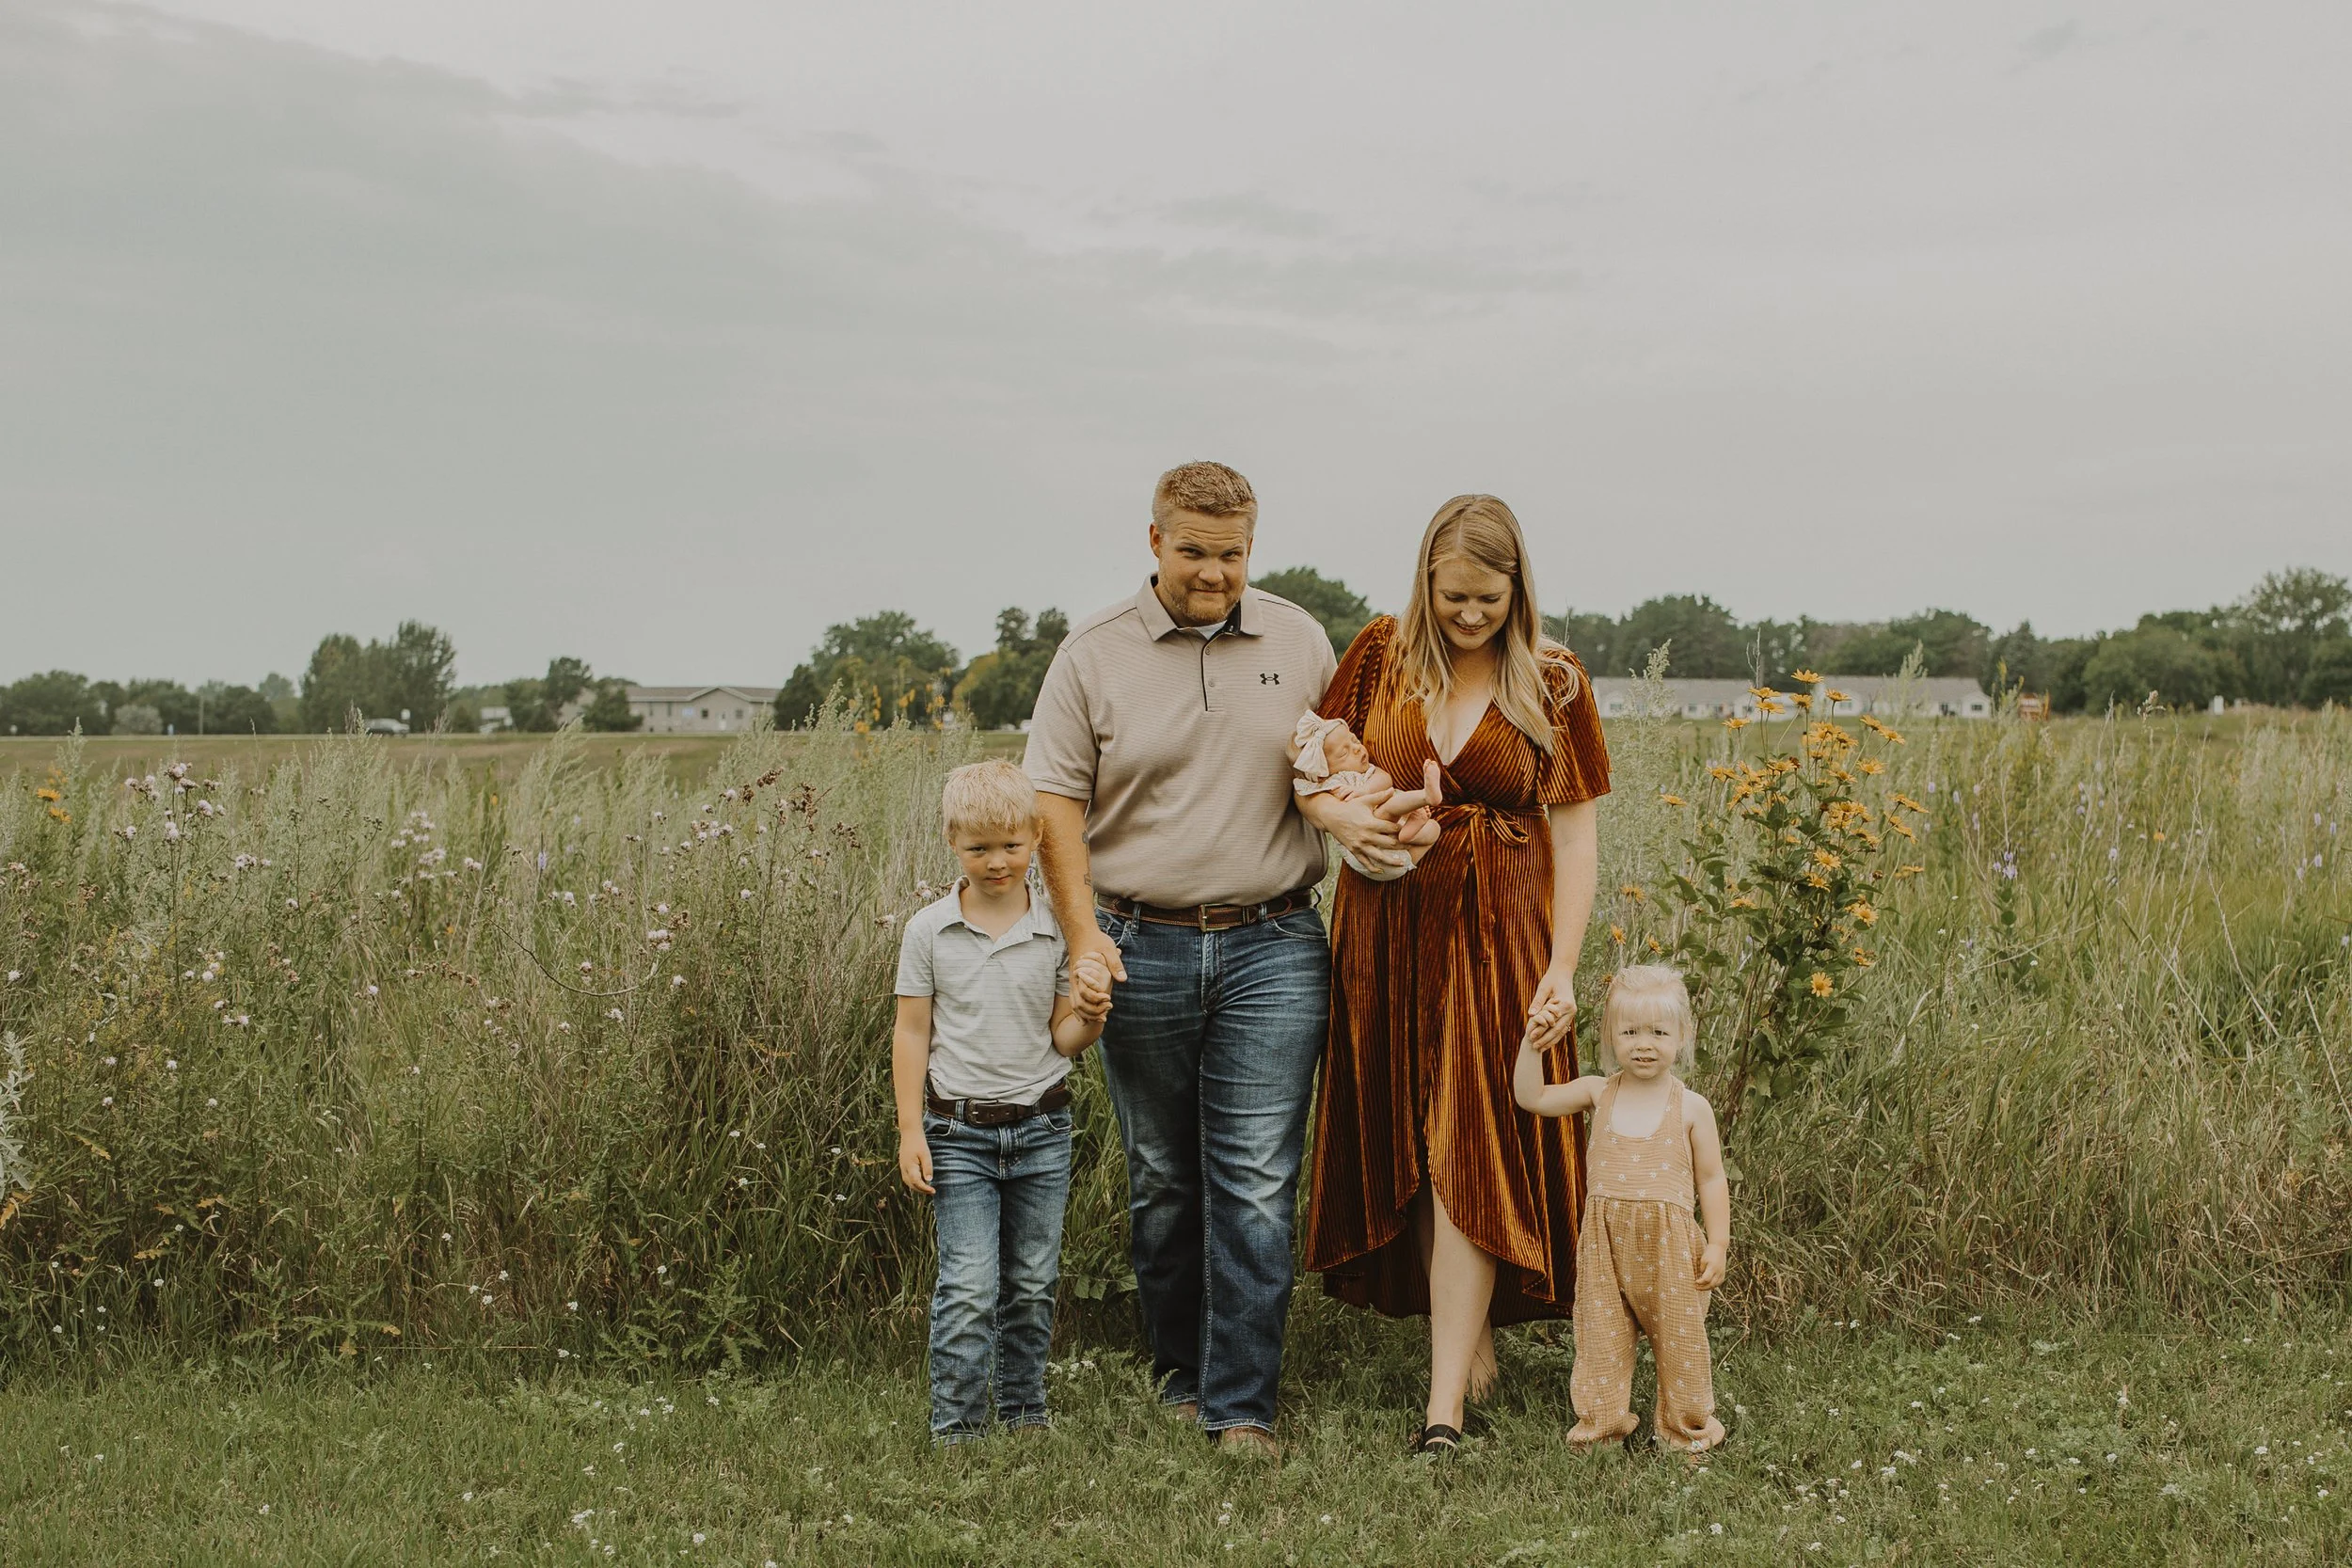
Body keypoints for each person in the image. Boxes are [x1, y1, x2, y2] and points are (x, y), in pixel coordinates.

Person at [1025, 460, 1379, 1455]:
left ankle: (1242, 1403)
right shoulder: (1092, 654)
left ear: (1251, 547)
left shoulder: (1299, 640)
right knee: (1164, 1177)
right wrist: (1083, 936)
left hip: (1275, 941)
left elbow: (1336, 760)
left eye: (1232, 554)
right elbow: (1053, 803)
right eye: (1193, 552)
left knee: (1257, 1176)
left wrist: (1364, 805)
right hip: (1139, 944)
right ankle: (1182, 1367)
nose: (1214, 573)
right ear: (1154, 541)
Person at [1296, 493, 1608, 1457]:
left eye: (1488, 598)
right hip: (1385, 928)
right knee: (1414, 1136)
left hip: (1499, 933)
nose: (1470, 614)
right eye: (1453, 595)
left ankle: (1443, 1410)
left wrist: (1563, 967)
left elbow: (1576, 835)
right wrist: (1338, 813)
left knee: (1467, 1135)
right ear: (1425, 580)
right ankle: (1462, 1340)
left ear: (1519, 589)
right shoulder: (1381, 653)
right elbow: (1310, 760)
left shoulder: (1554, 680)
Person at [892, 760, 1112, 1444]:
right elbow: (912, 1031)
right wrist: (910, 1129)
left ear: (1038, 836)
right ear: (952, 842)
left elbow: (1063, 1036)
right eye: (979, 848)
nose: (997, 862)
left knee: (1032, 1279)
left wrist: (1091, 1016)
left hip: (1041, 1128)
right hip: (957, 1133)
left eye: (1012, 845)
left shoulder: (1056, 930)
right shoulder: (929, 931)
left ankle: (1023, 1411)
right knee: (968, 1284)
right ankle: (958, 1425)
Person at [1513, 965, 1730, 1455]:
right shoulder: (1599, 1092)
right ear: (1611, 1036)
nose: (1643, 1045)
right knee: (1600, 1341)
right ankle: (1600, 1429)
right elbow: (1532, 1097)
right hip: (1605, 1249)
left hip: (1671, 1253)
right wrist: (1532, 1047)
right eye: (1629, 1033)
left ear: (1682, 1036)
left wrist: (1718, 1243)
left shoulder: (1691, 1107)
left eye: (1658, 1033)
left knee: (1681, 1343)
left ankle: (1686, 1431)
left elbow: (1711, 1179)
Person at [1290, 712, 1444, 881]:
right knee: (1389, 805)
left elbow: (1386, 779)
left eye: (1355, 740)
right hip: (1366, 849)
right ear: (1321, 773)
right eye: (1344, 753)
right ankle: (1425, 796)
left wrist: (1365, 789)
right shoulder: (1330, 785)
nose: (1357, 748)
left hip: (1401, 859)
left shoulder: (1369, 771)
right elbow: (1319, 808)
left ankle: (1408, 833)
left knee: (1434, 828)